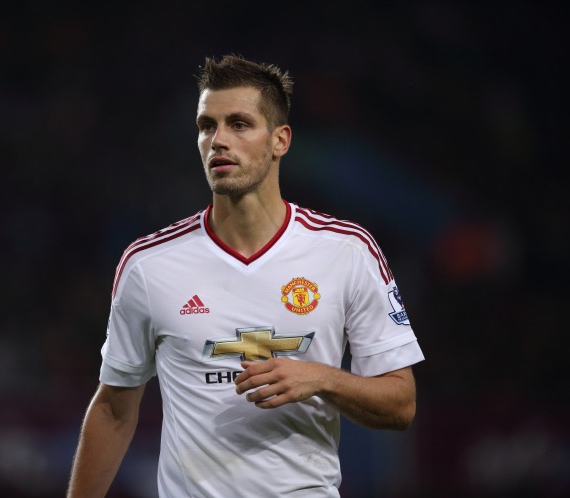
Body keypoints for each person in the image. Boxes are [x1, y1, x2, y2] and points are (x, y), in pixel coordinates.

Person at [66, 53, 425, 498]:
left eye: (239, 124)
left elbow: (401, 404)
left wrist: (322, 378)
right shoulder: (148, 264)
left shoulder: (347, 251)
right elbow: (113, 410)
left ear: (280, 141)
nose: (218, 140)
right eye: (207, 126)